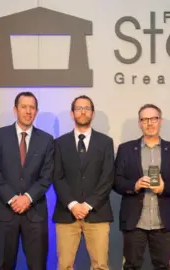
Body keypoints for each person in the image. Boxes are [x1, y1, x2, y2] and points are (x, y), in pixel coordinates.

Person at [113, 104, 170, 270]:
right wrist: (135, 185)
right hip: (135, 221)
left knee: (163, 266)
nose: (149, 123)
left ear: (160, 121)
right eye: (145, 119)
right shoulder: (125, 149)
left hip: (162, 222)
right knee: (131, 266)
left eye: (153, 119)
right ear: (139, 123)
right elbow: (116, 181)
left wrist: (164, 187)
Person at [0, 91, 54, 269]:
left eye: (32, 108)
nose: (28, 111)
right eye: (24, 107)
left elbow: (47, 176)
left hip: (35, 213)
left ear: (36, 111)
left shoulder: (47, 140)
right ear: (15, 109)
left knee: (38, 265)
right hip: (3, 211)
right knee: (4, 265)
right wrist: (12, 198)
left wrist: (27, 198)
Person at [52, 95, 115, 270]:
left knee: (100, 265)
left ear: (92, 113)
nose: (83, 112)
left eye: (87, 108)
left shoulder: (105, 142)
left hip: (97, 212)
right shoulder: (59, 143)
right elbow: (57, 176)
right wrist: (73, 205)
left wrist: (87, 205)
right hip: (67, 212)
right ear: (72, 114)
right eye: (79, 108)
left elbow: (108, 177)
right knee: (64, 265)